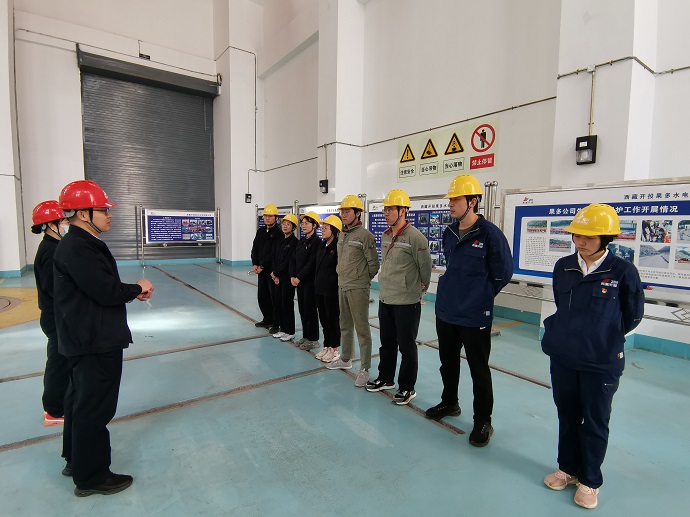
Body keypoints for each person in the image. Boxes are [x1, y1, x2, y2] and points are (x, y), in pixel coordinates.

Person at [53, 180, 154, 497]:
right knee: (94, 408)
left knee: (79, 402)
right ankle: (92, 477)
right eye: (103, 210)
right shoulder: (78, 247)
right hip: (94, 341)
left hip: (84, 337)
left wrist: (129, 291)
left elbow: (97, 286)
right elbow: (105, 290)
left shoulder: (80, 243)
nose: (109, 215)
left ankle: (76, 460)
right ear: (84, 213)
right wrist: (137, 288)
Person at [541, 203, 644, 510]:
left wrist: (603, 334)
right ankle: (567, 469)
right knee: (567, 414)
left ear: (606, 238)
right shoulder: (564, 266)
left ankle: (590, 481)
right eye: (577, 235)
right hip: (564, 357)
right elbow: (562, 305)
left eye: (589, 237)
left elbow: (632, 314)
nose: (581, 241)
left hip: (601, 360)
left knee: (595, 420)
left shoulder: (622, 271)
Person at [425, 174, 513, 447]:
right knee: (448, 363)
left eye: (456, 199)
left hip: (475, 315)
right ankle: (449, 402)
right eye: (450, 199)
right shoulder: (449, 232)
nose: (451, 204)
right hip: (447, 311)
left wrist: (482, 295)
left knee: (478, 369)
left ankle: (483, 420)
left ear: (472, 202)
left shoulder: (490, 234)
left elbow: (504, 272)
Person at [366, 190, 431, 405]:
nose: (386, 213)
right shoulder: (386, 235)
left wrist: (420, 292)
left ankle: (407, 387)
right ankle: (386, 378)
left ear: (403, 211)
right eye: (385, 209)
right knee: (387, 342)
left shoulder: (416, 238)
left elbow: (425, 269)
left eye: (390, 209)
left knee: (407, 346)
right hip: (386, 298)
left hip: (406, 301)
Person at [326, 195, 380, 388]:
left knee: (362, 329)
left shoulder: (365, 236)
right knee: (345, 324)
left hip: (358, 288)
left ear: (358, 213)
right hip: (342, 285)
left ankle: (364, 368)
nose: (343, 214)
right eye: (342, 211)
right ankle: (346, 358)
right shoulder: (342, 234)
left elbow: (374, 265)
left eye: (347, 211)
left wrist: (361, 280)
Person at [31, 200, 70, 426]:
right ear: (50, 224)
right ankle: (54, 411)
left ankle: (58, 404)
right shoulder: (50, 250)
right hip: (55, 317)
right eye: (63, 220)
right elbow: (54, 289)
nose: (66, 224)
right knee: (58, 363)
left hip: (55, 315)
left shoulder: (54, 247)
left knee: (62, 360)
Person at [290, 211, 321, 349]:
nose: (303, 226)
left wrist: (299, 277)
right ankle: (305, 336)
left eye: (306, 223)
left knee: (310, 310)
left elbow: (311, 263)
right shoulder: (302, 241)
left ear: (314, 225)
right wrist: (292, 275)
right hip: (299, 281)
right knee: (302, 310)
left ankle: (313, 339)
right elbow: (293, 259)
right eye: (302, 223)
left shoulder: (317, 242)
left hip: (309, 282)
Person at [314, 215, 342, 363]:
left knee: (332, 320)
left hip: (331, 290)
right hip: (320, 288)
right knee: (324, 320)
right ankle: (327, 346)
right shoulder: (322, 245)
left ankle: (335, 349)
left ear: (334, 231)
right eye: (322, 228)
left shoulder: (337, 247)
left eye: (326, 228)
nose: (323, 230)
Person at [251, 204, 281, 329]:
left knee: (273, 297)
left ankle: (275, 322)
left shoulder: (278, 233)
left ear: (276, 218)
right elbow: (255, 248)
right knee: (262, 296)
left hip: (271, 271)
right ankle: (266, 319)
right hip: (260, 271)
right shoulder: (261, 231)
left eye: (270, 216)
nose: (267, 218)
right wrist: (255, 263)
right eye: (265, 216)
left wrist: (262, 266)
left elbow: (273, 253)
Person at [270, 214, 299, 341]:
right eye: (284, 224)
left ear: (293, 227)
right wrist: (274, 273)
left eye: (288, 224)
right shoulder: (279, 240)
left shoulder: (295, 242)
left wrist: (276, 272)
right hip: (277, 277)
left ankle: (290, 331)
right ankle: (283, 329)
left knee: (287, 304)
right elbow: (274, 257)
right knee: (278, 304)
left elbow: (288, 261)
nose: (285, 226)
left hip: (287, 278)